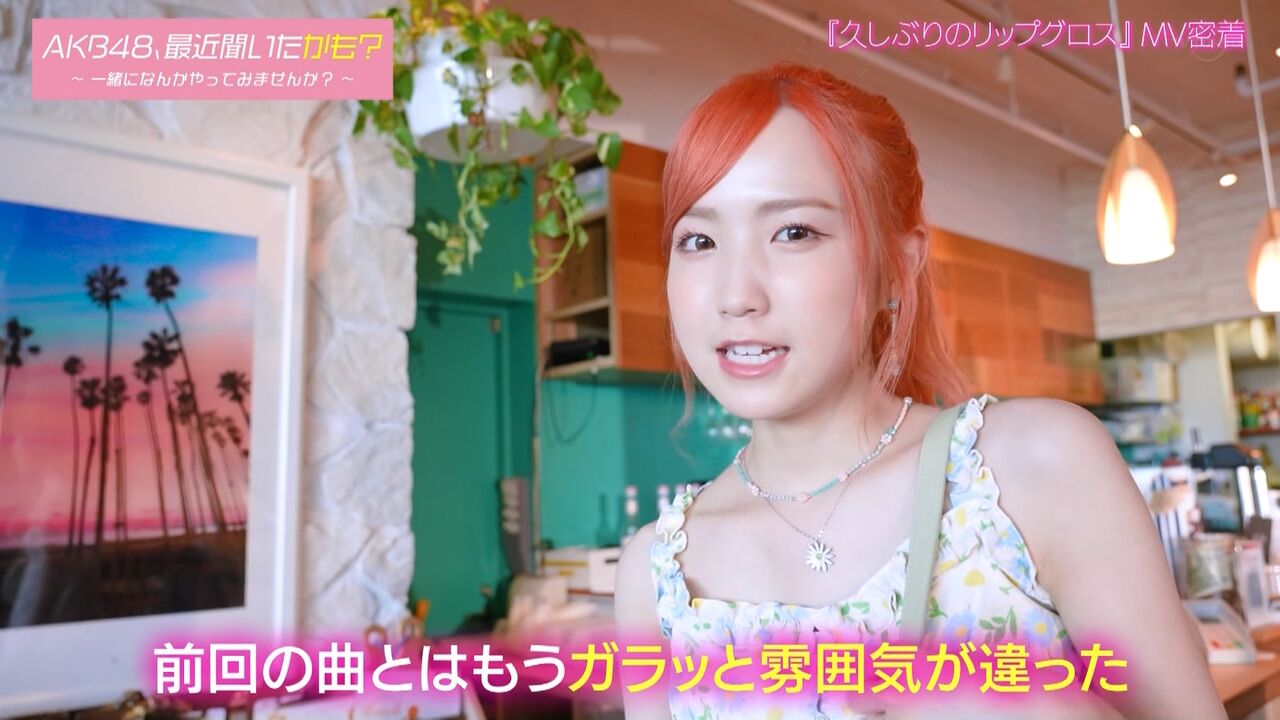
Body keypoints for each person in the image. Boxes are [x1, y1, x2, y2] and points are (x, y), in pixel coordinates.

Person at [612, 62, 1224, 719]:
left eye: (794, 232)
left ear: (895, 268)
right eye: (698, 240)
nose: (736, 294)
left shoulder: (1028, 467)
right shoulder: (655, 577)